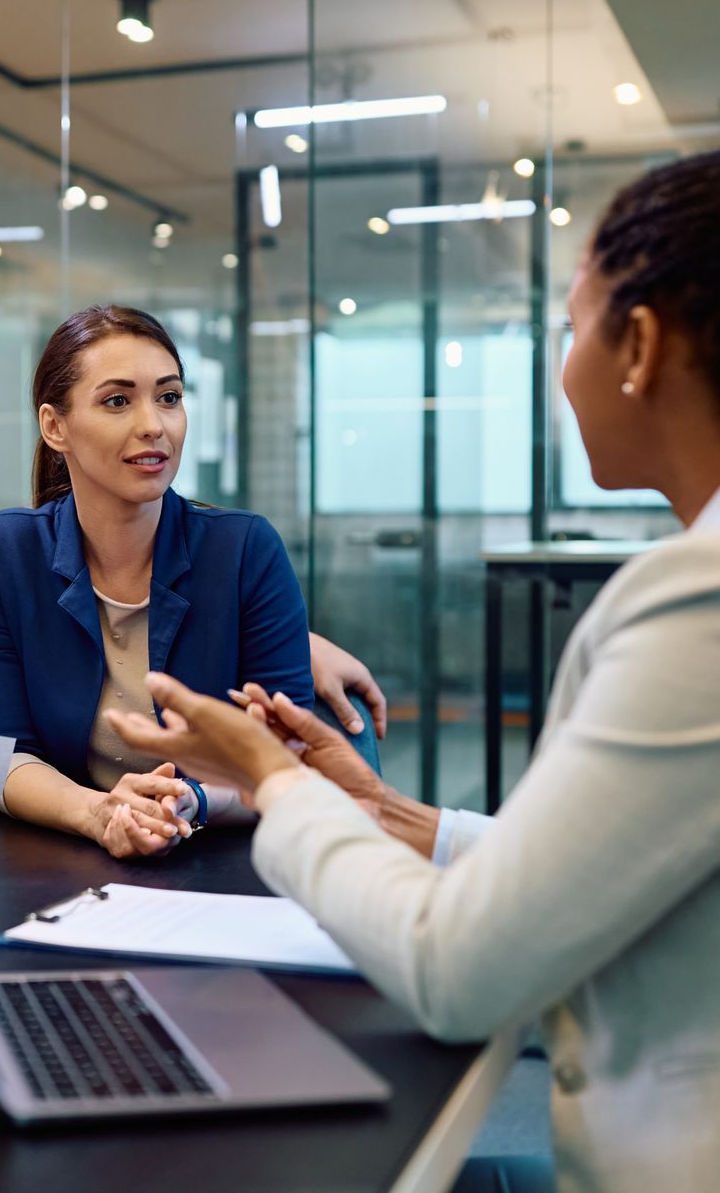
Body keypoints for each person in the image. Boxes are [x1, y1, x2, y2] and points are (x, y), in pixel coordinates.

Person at [108, 149, 720, 1192]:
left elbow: (456, 971)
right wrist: (393, 812)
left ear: (643, 345)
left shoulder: (694, 603)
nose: (564, 368)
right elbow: (608, 851)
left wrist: (277, 778)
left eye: (572, 329)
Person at [0, 304, 385, 860]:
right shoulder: (12, 552)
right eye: (117, 401)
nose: (154, 425)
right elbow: (7, 754)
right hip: (67, 862)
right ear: (55, 426)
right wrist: (99, 814)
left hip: (227, 861)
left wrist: (191, 801)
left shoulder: (244, 549)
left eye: (169, 397)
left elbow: (289, 756)